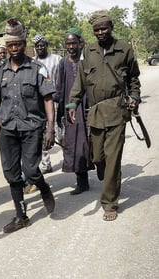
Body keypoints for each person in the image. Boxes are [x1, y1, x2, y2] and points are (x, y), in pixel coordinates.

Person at [67, 11, 141, 221]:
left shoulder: (124, 49)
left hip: (117, 110)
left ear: (111, 27)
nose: (100, 32)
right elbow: (80, 80)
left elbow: (134, 78)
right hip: (96, 112)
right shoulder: (88, 51)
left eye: (104, 28)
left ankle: (109, 203)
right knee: (98, 157)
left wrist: (134, 96)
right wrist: (73, 102)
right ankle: (105, 172)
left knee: (113, 158)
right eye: (96, 30)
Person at [0, 18, 55, 233]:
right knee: (12, 174)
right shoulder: (0, 71)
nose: (14, 49)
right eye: (10, 45)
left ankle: (43, 189)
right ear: (6, 46)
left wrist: (50, 128)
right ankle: (21, 216)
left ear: (25, 44)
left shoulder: (37, 68)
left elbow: (48, 99)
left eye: (18, 44)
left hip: (32, 126)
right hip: (7, 128)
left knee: (31, 171)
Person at [55, 28, 94, 195]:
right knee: (76, 145)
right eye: (68, 43)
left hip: (88, 107)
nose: (71, 46)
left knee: (93, 143)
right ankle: (82, 182)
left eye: (74, 43)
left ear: (81, 43)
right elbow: (60, 87)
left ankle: (107, 176)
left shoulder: (89, 60)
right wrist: (58, 112)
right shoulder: (63, 63)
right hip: (71, 110)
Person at [32, 34, 62, 175]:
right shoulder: (33, 62)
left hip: (56, 101)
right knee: (43, 133)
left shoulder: (57, 60)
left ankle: (69, 157)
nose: (40, 48)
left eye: (42, 45)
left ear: (46, 45)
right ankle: (46, 163)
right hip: (40, 103)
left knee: (59, 132)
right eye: (37, 46)